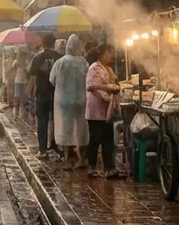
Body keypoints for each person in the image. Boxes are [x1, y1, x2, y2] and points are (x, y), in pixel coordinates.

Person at [49, 35, 90, 166]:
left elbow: (52, 80)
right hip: (80, 100)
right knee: (81, 128)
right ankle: (82, 159)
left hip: (63, 101)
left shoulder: (60, 62)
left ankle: (66, 160)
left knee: (65, 128)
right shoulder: (83, 62)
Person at [85, 43, 122, 178]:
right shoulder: (94, 68)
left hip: (107, 111)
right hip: (96, 111)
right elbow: (91, 86)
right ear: (103, 53)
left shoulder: (108, 69)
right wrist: (109, 89)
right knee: (95, 139)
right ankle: (92, 167)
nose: (112, 55)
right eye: (110, 52)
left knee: (107, 140)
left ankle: (109, 168)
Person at [29, 34, 63, 159]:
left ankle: (43, 150)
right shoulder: (59, 57)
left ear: (43, 43)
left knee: (42, 122)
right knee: (57, 120)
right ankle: (56, 146)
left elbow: (32, 78)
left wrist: (30, 93)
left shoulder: (37, 57)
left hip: (42, 93)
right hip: (56, 93)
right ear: (54, 43)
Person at [13, 49, 30, 122]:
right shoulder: (16, 62)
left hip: (24, 82)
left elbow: (29, 71)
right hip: (17, 81)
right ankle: (16, 113)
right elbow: (13, 68)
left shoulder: (26, 63)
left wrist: (24, 67)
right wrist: (17, 66)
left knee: (24, 97)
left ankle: (23, 114)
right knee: (17, 97)